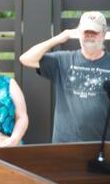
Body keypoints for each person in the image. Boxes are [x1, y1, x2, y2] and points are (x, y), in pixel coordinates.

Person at [19, 11, 109, 143]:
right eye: (85, 31)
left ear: (104, 34)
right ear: (79, 33)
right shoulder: (62, 60)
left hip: (102, 144)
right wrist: (58, 39)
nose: (89, 35)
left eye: (94, 32)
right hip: (65, 143)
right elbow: (26, 59)